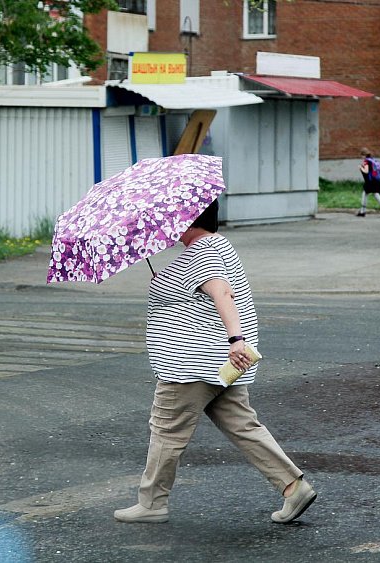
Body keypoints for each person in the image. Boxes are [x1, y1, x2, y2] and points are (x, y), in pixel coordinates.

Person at [114, 199, 317, 525]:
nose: (169, 222)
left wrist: (236, 340)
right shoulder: (217, 246)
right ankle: (293, 486)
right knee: (243, 425)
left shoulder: (202, 253)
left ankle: (151, 502)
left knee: (166, 429)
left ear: (188, 219)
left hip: (191, 363)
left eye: (174, 216)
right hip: (220, 364)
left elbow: (222, 293)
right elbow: (199, 296)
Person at [356, 147, 380, 218]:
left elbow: (366, 171)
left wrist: (360, 168)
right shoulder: (372, 160)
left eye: (361, 155)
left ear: (364, 155)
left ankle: (362, 211)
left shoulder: (366, 161)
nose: (361, 157)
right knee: (376, 194)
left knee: (365, 194)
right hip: (375, 180)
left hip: (370, 182)